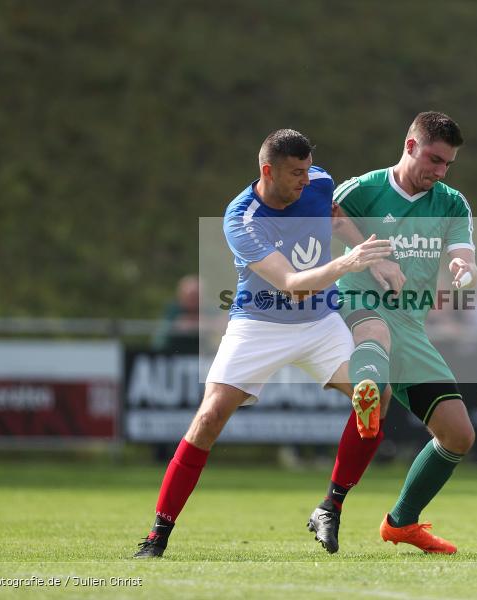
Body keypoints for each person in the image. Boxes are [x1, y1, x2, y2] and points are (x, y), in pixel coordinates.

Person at [132, 129, 391, 558]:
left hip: (320, 322)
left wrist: (363, 248)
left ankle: (331, 505)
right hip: (259, 323)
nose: (305, 180)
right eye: (295, 173)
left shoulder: (318, 181)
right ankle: (157, 535)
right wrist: (349, 262)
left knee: (378, 396)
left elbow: (332, 215)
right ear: (267, 171)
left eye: (308, 170)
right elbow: (291, 285)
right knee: (209, 418)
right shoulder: (242, 218)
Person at [307, 111, 477, 555]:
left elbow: (463, 251)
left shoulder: (451, 203)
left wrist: (463, 266)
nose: (439, 172)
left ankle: (401, 522)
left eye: (447, 165)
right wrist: (370, 255)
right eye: (434, 160)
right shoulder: (364, 189)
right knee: (374, 339)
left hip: (410, 325)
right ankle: (369, 388)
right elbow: (324, 215)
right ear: (410, 146)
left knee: (458, 435)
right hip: (355, 303)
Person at [152, 274, 201, 354]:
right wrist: (177, 326)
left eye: (196, 296)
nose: (193, 300)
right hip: (175, 356)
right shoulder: (173, 311)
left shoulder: (208, 311)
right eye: (190, 296)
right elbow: (159, 341)